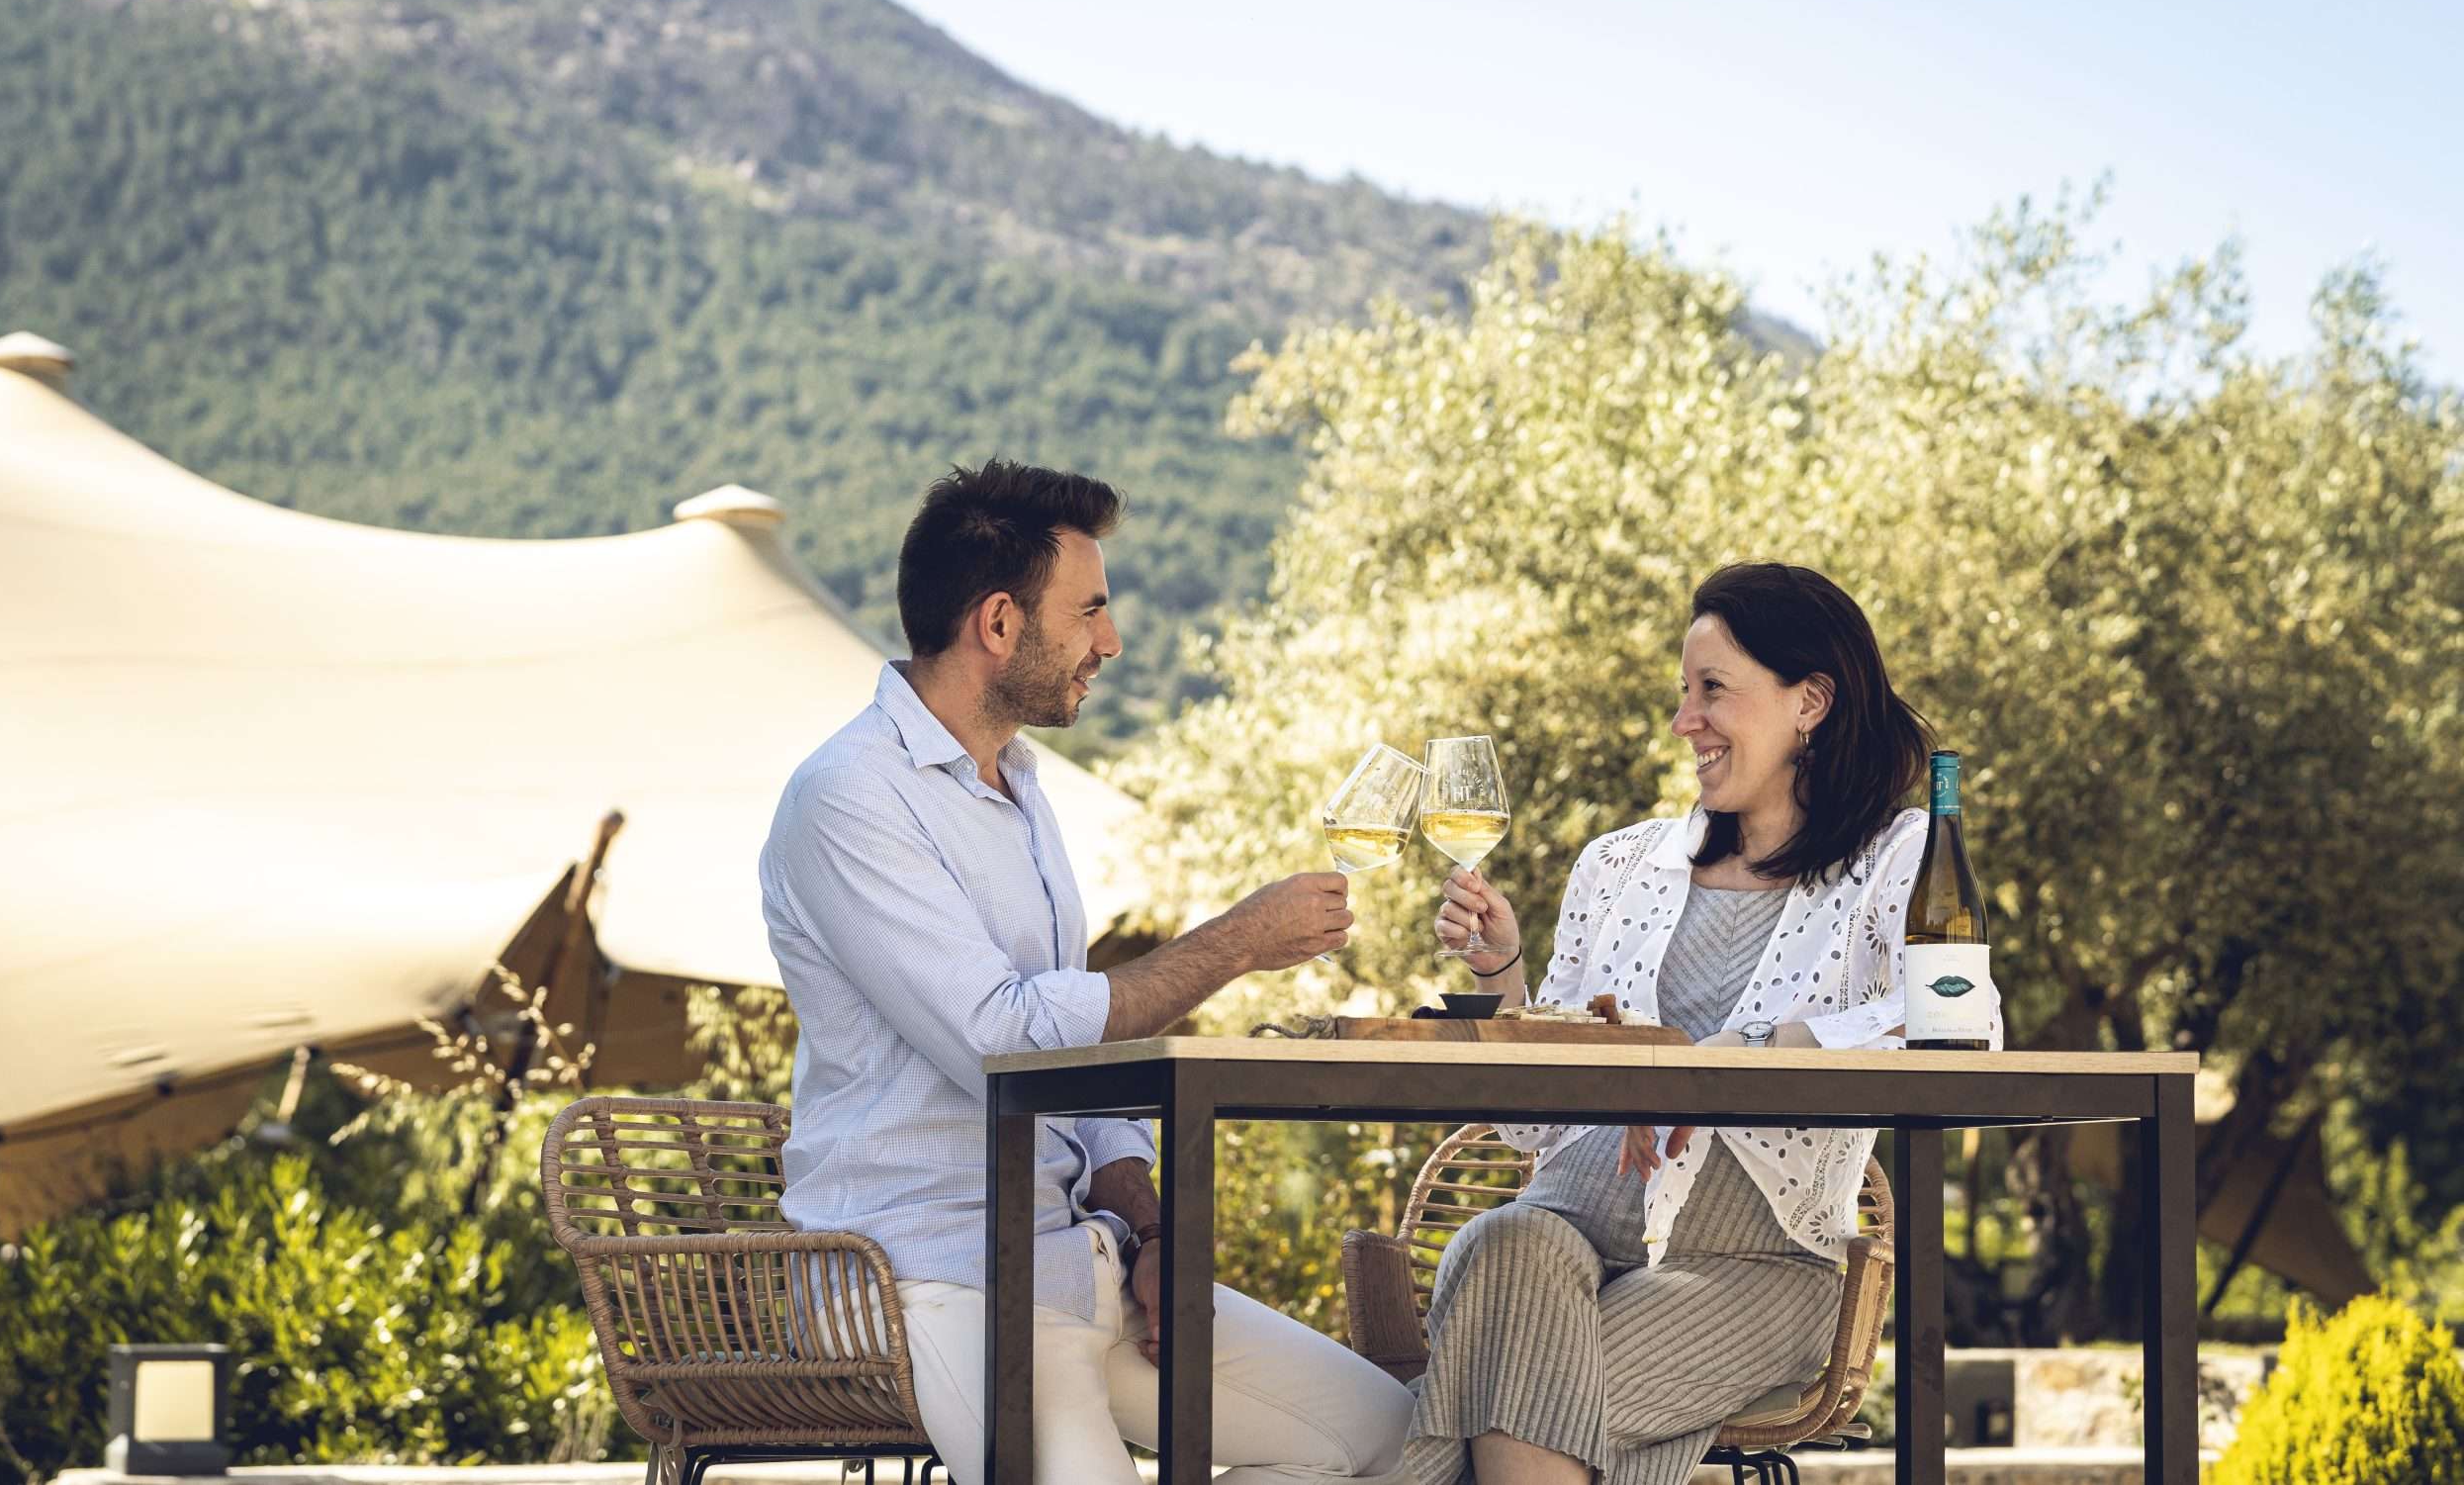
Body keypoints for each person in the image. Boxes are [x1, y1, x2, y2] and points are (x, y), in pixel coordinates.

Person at [760, 460, 1411, 1485]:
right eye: (1091, 610)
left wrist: (1150, 1230)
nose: (1110, 642)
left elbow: (1081, 1067)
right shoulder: (850, 796)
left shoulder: (1019, 785)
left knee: (1397, 1442)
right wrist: (1235, 943)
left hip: (1081, 1260)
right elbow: (1006, 1041)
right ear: (999, 622)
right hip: (925, 1275)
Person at [1407, 562, 2001, 1485]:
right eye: (1684, 691)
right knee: (1498, 1239)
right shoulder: (1618, 864)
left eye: (1712, 689)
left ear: (1810, 702)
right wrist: (1500, 971)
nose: (1686, 720)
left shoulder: (1896, 857)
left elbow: (1963, 1024)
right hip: (1561, 1227)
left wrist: (1740, 1057)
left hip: (1750, 1267)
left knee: (1503, 1391)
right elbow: (1529, 1125)